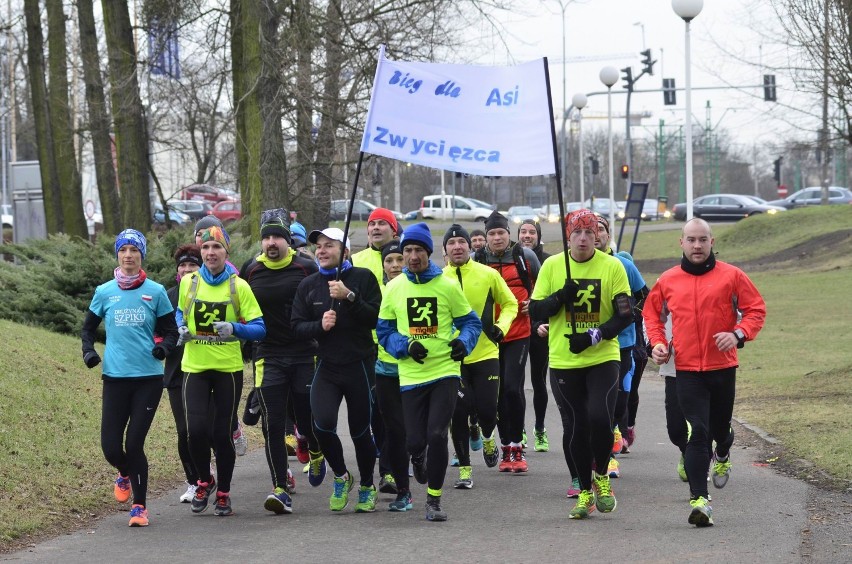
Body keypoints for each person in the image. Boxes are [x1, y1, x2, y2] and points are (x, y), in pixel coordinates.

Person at [643, 218, 766, 528]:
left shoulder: (732, 276)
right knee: (698, 432)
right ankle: (700, 500)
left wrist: (738, 334)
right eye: (691, 240)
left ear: (712, 242)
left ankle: (724, 448)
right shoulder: (668, 280)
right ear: (681, 244)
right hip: (686, 370)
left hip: (722, 368)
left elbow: (756, 310)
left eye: (702, 240)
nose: (697, 245)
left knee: (718, 430)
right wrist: (657, 344)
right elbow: (652, 316)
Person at [529, 209, 634, 520]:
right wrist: (562, 295)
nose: (585, 238)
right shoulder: (552, 265)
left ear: (600, 236)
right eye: (578, 233)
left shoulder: (613, 266)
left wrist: (594, 335)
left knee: (600, 418)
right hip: (564, 359)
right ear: (568, 237)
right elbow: (536, 308)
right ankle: (584, 491)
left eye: (591, 232)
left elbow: (625, 313)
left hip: (602, 355)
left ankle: (601, 476)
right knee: (577, 425)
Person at [377, 223, 481, 521]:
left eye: (418, 250)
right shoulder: (394, 288)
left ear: (428, 253)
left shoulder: (447, 285)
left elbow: (471, 323)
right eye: (407, 250)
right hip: (410, 375)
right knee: (414, 441)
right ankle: (418, 456)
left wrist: (463, 342)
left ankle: (433, 500)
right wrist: (405, 346)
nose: (412, 256)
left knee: (437, 434)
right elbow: (384, 331)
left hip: (444, 370)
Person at [81, 229, 178, 527]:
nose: (128, 255)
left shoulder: (156, 292)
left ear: (141, 255)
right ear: (117, 254)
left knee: (134, 444)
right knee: (111, 447)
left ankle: (139, 506)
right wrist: (89, 353)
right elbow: (87, 329)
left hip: (147, 380)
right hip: (115, 379)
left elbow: (172, 331)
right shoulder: (105, 292)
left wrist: (163, 347)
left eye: (134, 251)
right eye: (123, 250)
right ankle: (123, 471)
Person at [291, 227, 383, 513]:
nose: (321, 250)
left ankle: (367, 485)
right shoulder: (309, 285)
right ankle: (342, 476)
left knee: (359, 431)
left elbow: (376, 318)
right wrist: (320, 326)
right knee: (322, 424)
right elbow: (296, 326)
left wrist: (349, 297)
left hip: (360, 365)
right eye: (318, 246)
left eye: (329, 245)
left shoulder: (363, 278)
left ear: (345, 251)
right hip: (328, 366)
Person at [177, 225, 266, 517]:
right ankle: (205, 481)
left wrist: (235, 328)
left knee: (220, 433)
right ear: (200, 251)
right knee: (195, 431)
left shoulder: (239, 286)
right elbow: (181, 311)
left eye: (216, 247)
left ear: (226, 251)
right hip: (195, 366)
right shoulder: (188, 282)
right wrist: (180, 327)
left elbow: (259, 328)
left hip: (227, 368)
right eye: (205, 248)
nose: (210, 253)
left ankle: (224, 493)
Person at [241, 209, 321, 514]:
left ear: (288, 240)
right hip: (268, 354)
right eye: (266, 237)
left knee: (307, 416)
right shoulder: (250, 270)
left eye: (277, 237)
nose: (271, 242)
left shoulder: (305, 267)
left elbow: (320, 302)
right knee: (273, 423)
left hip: (303, 352)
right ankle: (279, 487)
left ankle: (314, 449)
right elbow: (237, 303)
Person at [443, 224, 517, 488]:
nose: (457, 247)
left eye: (462, 242)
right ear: (445, 251)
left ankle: (487, 436)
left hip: (486, 353)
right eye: (451, 244)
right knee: (458, 412)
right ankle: (465, 470)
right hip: (453, 359)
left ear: (470, 246)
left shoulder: (487, 274)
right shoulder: (439, 279)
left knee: (487, 411)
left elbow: (511, 303)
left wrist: (501, 327)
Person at [475, 211, 540, 472]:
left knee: (513, 388)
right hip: (489, 337)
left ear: (508, 235)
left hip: (519, 333)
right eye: (492, 234)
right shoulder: (477, 260)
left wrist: (533, 304)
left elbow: (543, 286)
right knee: (497, 393)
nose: (497, 238)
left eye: (501, 233)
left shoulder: (525, 256)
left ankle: (517, 444)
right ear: (486, 237)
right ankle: (505, 448)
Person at [593, 215, 649, 481]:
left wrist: (627, 317)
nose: (595, 235)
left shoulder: (623, 265)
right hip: (587, 347)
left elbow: (645, 297)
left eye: (600, 230)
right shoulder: (572, 266)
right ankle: (607, 459)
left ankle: (616, 433)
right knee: (597, 404)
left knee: (618, 400)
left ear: (607, 235)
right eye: (589, 231)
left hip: (622, 343)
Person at [352, 207, 401, 494]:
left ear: (394, 230)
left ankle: (391, 469)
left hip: (398, 346)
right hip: (364, 346)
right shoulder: (357, 261)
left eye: (383, 223)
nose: (376, 228)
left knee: (392, 413)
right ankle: (383, 466)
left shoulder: (406, 257)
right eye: (372, 224)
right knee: (374, 412)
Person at [193, 215, 248, 456]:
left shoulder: (232, 275)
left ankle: (232, 430)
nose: (208, 248)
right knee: (198, 423)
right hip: (197, 360)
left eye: (214, 242)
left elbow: (245, 314)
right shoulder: (190, 275)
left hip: (227, 358)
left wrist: (235, 328)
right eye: (200, 235)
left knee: (219, 418)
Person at [373, 240, 416, 511]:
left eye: (399, 259)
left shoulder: (417, 288)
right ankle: (403, 490)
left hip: (416, 369)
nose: (395, 265)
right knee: (393, 431)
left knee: (415, 432)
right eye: (389, 261)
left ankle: (420, 457)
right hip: (384, 369)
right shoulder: (376, 291)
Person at [162, 244, 204, 504]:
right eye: (183, 265)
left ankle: (212, 476)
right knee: (183, 431)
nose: (187, 269)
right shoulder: (168, 296)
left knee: (207, 431)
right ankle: (193, 481)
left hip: (206, 368)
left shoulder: (210, 292)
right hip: (177, 371)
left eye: (193, 265)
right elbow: (158, 331)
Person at [517, 219, 551, 452]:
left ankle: (539, 429)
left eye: (532, 232)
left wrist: (543, 323)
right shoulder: (511, 258)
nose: (527, 235)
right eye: (523, 231)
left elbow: (550, 297)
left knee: (539, 381)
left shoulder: (548, 261)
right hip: (516, 328)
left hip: (539, 329)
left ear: (538, 237)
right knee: (515, 383)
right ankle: (519, 429)